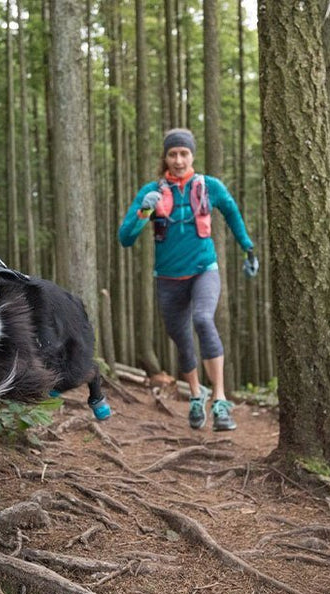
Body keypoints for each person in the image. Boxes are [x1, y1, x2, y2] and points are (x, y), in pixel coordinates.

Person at [118, 128, 258, 431]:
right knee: (181, 340)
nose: (178, 160)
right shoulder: (150, 191)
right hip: (168, 278)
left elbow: (232, 213)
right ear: (165, 157)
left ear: (192, 155)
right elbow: (125, 238)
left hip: (203, 270)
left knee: (204, 320)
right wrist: (145, 210)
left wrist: (247, 247)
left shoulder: (210, 186)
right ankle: (196, 395)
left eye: (184, 153)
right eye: (173, 154)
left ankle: (220, 400)